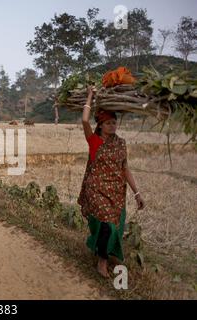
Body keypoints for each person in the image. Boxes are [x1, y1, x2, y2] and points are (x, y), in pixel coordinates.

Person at [78, 86, 146, 278]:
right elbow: (84, 120)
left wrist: (137, 193)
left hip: (116, 191)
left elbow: (125, 168)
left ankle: (102, 251)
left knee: (113, 225)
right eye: (108, 123)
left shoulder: (120, 143)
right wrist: (90, 95)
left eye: (114, 123)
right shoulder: (94, 141)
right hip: (96, 188)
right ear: (100, 125)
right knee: (107, 223)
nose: (112, 126)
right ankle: (102, 262)